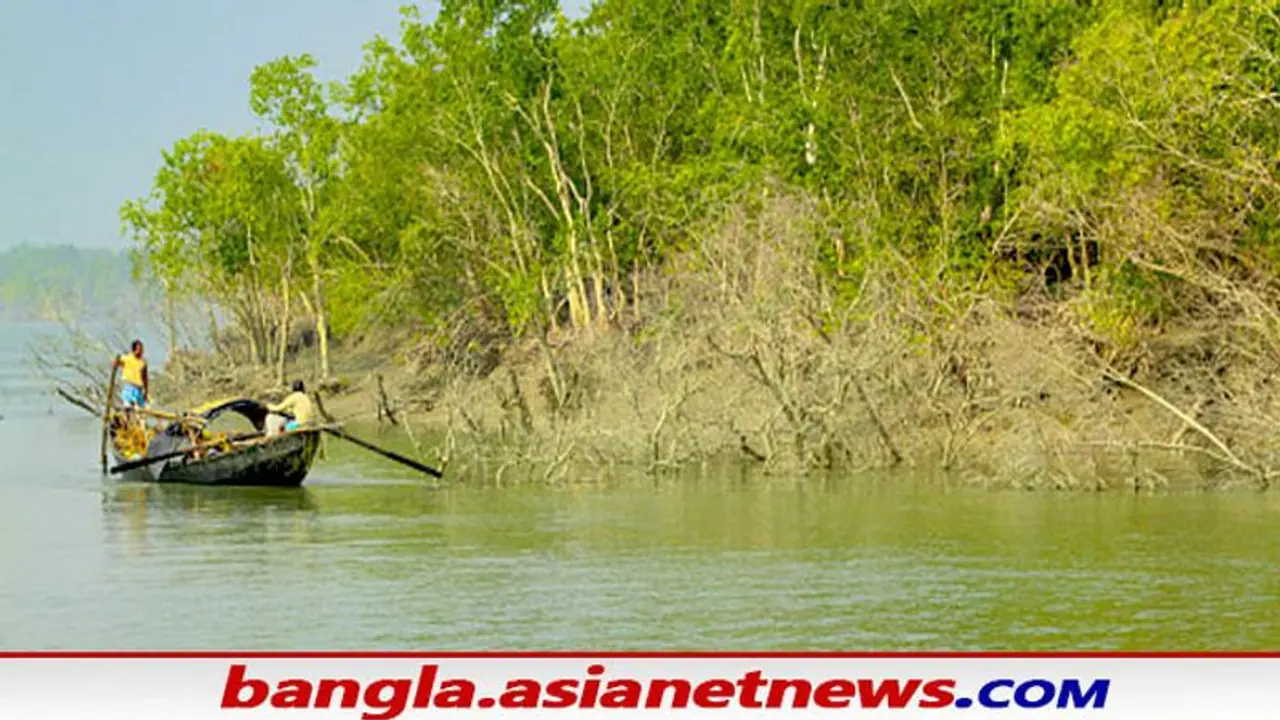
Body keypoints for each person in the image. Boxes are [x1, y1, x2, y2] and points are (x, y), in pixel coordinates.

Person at [111, 340, 149, 409]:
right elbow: (116, 362)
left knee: (141, 408)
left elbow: (145, 377)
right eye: (139, 349)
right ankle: (127, 416)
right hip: (128, 386)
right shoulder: (127, 358)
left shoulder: (143, 362)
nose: (141, 351)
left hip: (138, 388)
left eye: (141, 349)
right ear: (134, 349)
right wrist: (115, 363)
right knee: (128, 406)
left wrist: (146, 391)